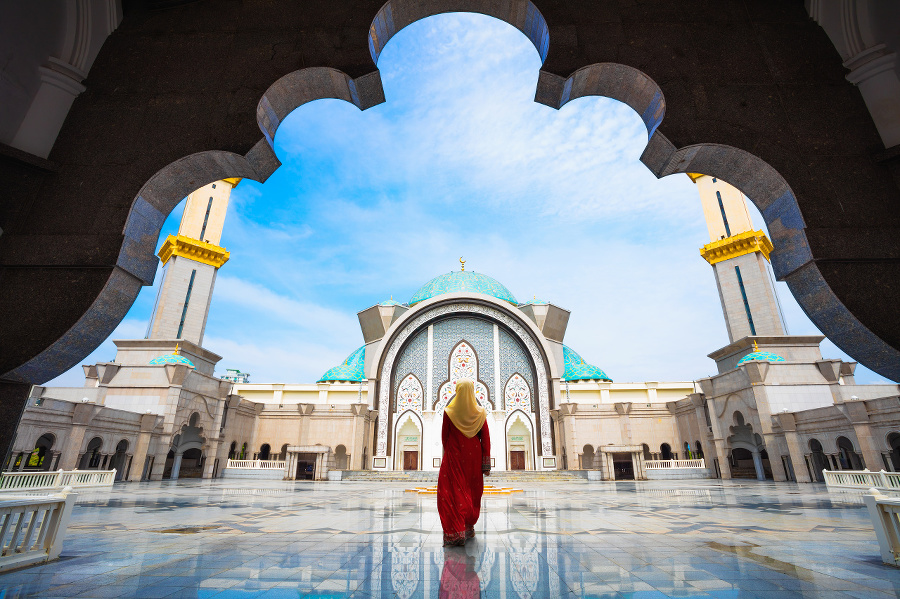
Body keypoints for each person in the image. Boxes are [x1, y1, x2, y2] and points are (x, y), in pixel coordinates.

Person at [437, 378, 491, 546]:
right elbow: (486, 439)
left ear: (458, 391)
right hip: (473, 458)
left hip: (454, 456)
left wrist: (447, 455)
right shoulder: (480, 413)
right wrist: (486, 463)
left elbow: (444, 436)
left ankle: (455, 532)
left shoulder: (449, 412)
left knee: (451, 492)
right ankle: (467, 527)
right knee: (471, 492)